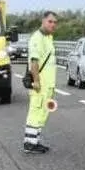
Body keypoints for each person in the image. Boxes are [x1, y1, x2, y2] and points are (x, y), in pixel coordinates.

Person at [23, 11, 58, 154]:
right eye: (50, 21)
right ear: (43, 21)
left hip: (48, 85)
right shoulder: (37, 38)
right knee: (35, 111)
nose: (53, 24)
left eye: (55, 22)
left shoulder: (48, 38)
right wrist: (36, 81)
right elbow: (34, 62)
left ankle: (34, 141)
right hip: (40, 85)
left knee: (42, 113)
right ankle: (29, 144)